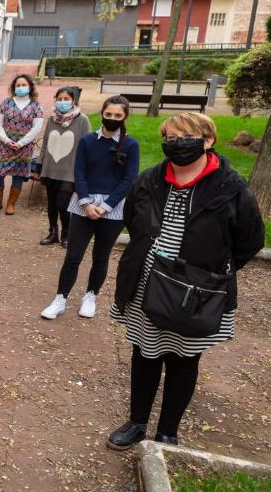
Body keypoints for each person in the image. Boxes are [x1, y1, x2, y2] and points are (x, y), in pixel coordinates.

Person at [106, 113, 263, 450]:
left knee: (183, 360)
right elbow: (135, 221)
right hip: (148, 283)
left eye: (186, 136)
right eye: (171, 137)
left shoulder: (230, 187)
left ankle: (168, 431)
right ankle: (137, 422)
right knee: (145, 354)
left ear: (208, 141)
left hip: (197, 291)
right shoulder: (150, 180)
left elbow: (250, 240)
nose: (177, 144)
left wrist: (210, 272)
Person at [41, 96, 139, 321]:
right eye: (108, 114)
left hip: (112, 208)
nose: (112, 118)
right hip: (84, 204)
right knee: (73, 255)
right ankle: (60, 298)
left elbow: (128, 179)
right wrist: (86, 202)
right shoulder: (87, 141)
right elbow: (79, 172)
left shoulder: (131, 145)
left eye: (117, 115)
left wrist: (105, 206)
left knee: (101, 256)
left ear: (124, 117)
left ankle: (91, 295)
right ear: (102, 114)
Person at [35, 87, 90, 247]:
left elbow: (87, 147)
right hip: (50, 169)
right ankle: (53, 233)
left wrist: (84, 170)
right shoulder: (52, 119)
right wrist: (40, 164)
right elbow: (45, 142)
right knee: (51, 204)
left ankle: (67, 233)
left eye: (66, 99)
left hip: (69, 172)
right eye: (59, 98)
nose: (62, 102)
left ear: (74, 101)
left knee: (62, 204)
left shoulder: (82, 120)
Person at [0, 74, 44, 215]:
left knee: (18, 175)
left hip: (24, 147)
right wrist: (7, 140)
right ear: (14, 87)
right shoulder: (6, 103)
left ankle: (11, 204)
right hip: (5, 144)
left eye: (24, 85)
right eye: (18, 85)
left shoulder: (36, 106)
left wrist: (21, 143)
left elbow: (36, 128)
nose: (21, 87)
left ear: (30, 87)